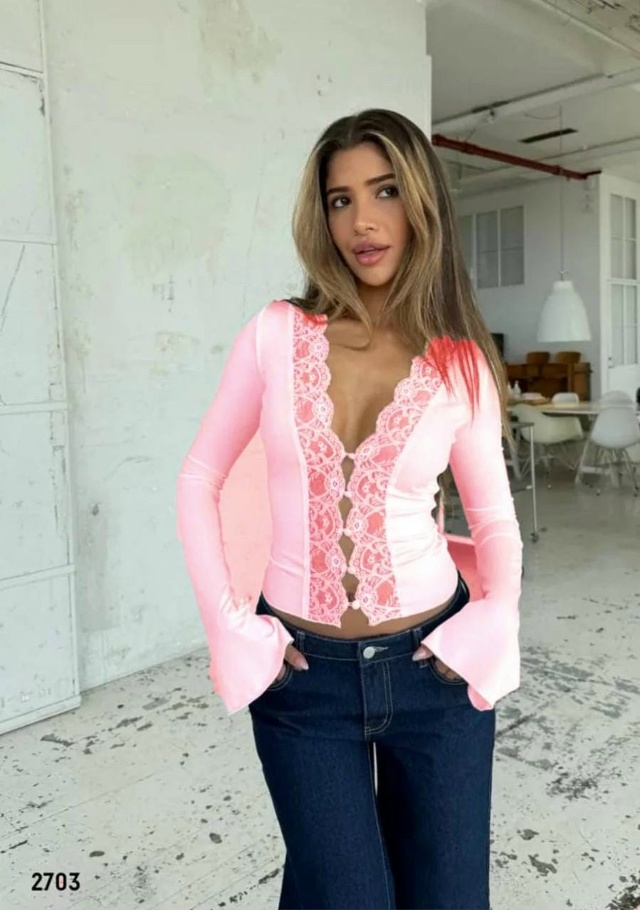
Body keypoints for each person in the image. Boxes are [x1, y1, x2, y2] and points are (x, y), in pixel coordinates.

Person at [176, 108, 523, 910]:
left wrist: (491, 619)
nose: (362, 221)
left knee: (448, 898)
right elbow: (198, 478)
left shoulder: (461, 363)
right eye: (341, 199)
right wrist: (230, 628)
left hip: (433, 669)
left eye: (385, 191)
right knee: (347, 895)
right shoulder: (274, 335)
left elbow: (495, 519)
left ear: (422, 201)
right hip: (305, 683)